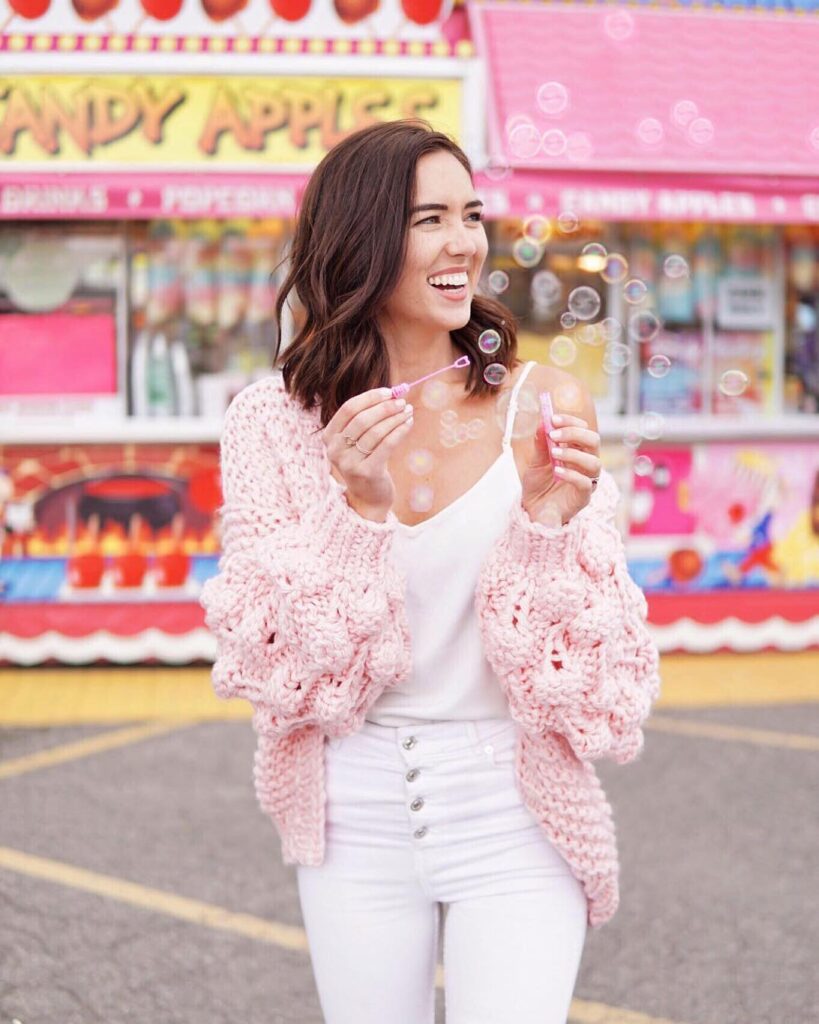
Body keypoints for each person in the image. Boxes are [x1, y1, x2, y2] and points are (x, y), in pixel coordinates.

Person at [200, 119, 661, 1024]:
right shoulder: (272, 424)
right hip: (354, 812)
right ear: (361, 240)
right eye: (429, 220)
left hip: (513, 811)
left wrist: (546, 525)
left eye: (472, 214)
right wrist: (356, 514)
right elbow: (281, 674)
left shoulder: (542, 404)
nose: (464, 243)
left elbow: (600, 687)